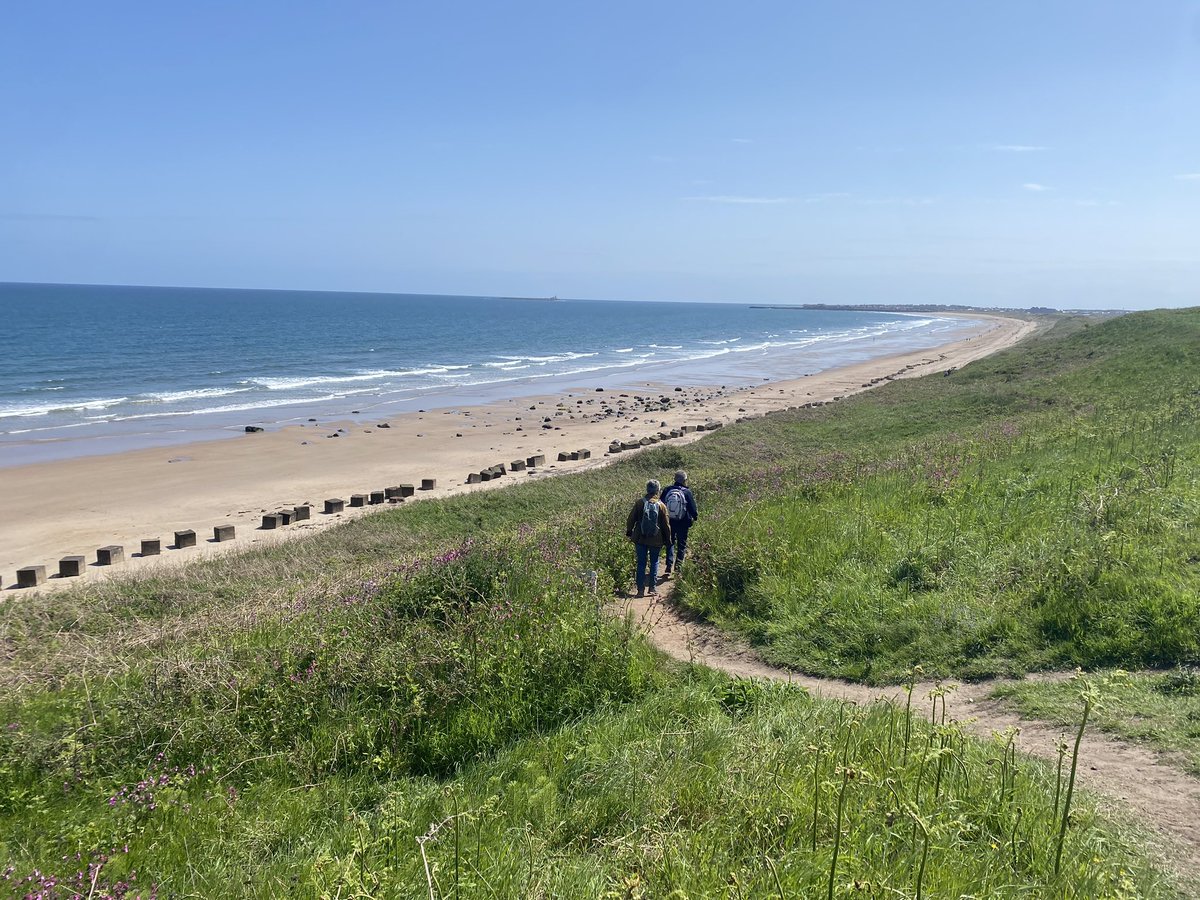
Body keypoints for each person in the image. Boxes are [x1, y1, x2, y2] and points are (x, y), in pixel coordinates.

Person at [626, 479, 672, 597]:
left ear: (647, 489)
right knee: (654, 562)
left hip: (640, 538)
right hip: (656, 539)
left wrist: (629, 531)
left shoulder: (640, 503)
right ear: (658, 490)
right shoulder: (661, 505)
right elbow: (666, 525)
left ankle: (640, 590)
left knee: (641, 563)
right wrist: (668, 539)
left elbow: (631, 519)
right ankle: (652, 588)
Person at [661, 470, 699, 577]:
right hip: (683, 521)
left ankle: (668, 565)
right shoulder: (687, 492)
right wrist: (695, 516)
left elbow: (662, 504)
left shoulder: (667, 490)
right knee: (681, 544)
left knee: (670, 542)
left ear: (674, 479)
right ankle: (678, 567)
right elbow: (692, 508)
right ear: (684, 480)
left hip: (670, 521)